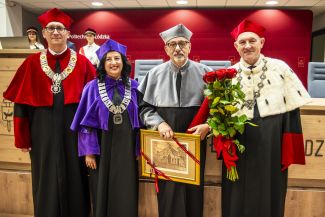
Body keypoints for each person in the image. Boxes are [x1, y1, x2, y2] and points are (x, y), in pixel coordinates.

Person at [3, 8, 96, 217]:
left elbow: (93, 105)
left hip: (75, 132)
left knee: (76, 174)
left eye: (60, 28)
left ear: (68, 33)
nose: (55, 32)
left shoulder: (83, 64)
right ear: (43, 33)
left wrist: (92, 140)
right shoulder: (30, 64)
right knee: (44, 175)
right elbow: (20, 104)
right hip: (41, 131)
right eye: (51, 28)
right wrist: (22, 138)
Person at [221, 19, 311, 217]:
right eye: (242, 42)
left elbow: (291, 111)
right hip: (239, 142)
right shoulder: (228, 75)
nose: (247, 46)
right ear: (236, 46)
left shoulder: (280, 68)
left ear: (262, 42)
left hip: (271, 141)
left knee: (269, 189)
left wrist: (288, 147)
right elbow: (219, 115)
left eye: (252, 41)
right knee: (237, 192)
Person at [138, 24, 212, 217]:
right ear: (166, 49)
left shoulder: (207, 73)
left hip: (194, 138)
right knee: (168, 189)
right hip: (165, 140)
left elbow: (219, 109)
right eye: (172, 44)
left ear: (190, 47)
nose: (177, 48)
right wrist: (159, 123)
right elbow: (144, 108)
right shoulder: (153, 74)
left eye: (182, 43)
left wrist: (209, 126)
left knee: (193, 190)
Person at [71, 39, 140, 217]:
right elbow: (85, 124)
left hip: (126, 147)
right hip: (102, 147)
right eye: (108, 59)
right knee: (101, 187)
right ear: (102, 64)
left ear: (124, 62)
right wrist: (89, 152)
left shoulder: (135, 87)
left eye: (117, 58)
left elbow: (142, 120)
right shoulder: (91, 88)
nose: (113, 62)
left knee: (126, 186)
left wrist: (140, 150)